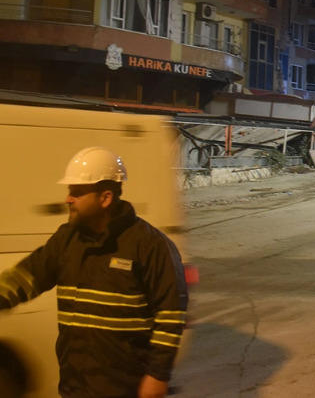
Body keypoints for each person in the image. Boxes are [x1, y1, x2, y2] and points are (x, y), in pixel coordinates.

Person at [0, 147, 188, 397]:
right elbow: (28, 276)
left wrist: (157, 374)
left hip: (125, 386)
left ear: (105, 198)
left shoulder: (151, 245)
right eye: (69, 192)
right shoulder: (66, 240)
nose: (68, 199)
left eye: (76, 192)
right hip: (75, 384)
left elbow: (170, 313)